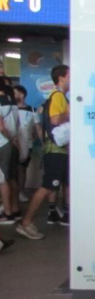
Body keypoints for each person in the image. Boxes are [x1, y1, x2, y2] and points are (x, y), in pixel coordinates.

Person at [16, 65, 70, 239]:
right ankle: (26, 222)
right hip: (55, 150)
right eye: (70, 76)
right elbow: (55, 119)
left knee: (58, 184)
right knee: (47, 186)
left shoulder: (59, 97)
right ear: (61, 78)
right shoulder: (58, 96)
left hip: (59, 150)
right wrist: (71, 114)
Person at [13, 85, 38, 203]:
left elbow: (37, 127)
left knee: (22, 169)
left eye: (15, 93)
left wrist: (35, 136)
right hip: (12, 142)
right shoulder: (10, 109)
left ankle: (21, 192)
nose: (13, 95)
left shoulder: (32, 109)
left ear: (22, 94)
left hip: (27, 144)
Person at [0, 79, 20, 225]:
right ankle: (15, 209)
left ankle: (7, 213)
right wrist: (13, 139)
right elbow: (17, 123)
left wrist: (10, 138)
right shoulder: (12, 102)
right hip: (12, 143)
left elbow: (1, 128)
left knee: (3, 180)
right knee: (12, 178)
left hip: (3, 143)